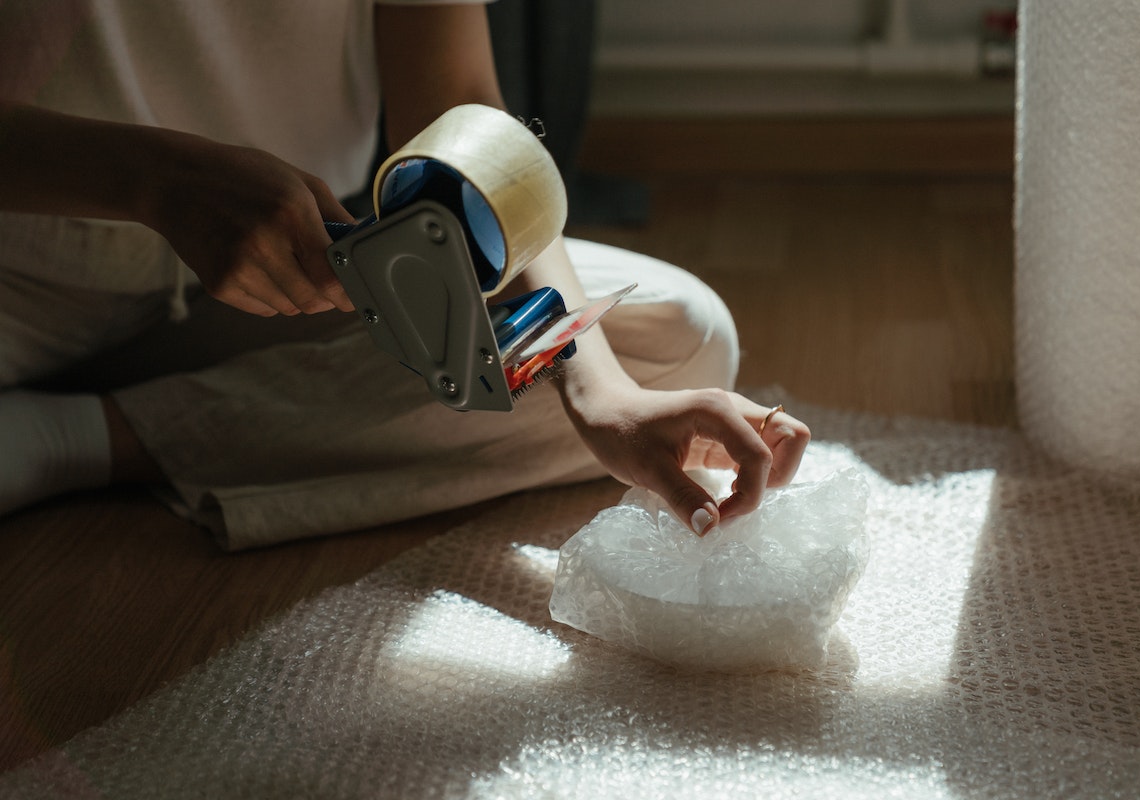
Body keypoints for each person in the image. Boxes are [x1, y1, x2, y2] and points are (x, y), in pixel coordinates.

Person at [0, 1, 809, 549]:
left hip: (282, 279)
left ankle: (71, 437)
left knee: (678, 335)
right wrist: (154, 182)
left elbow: (461, 117)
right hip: (20, 276)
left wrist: (601, 391)